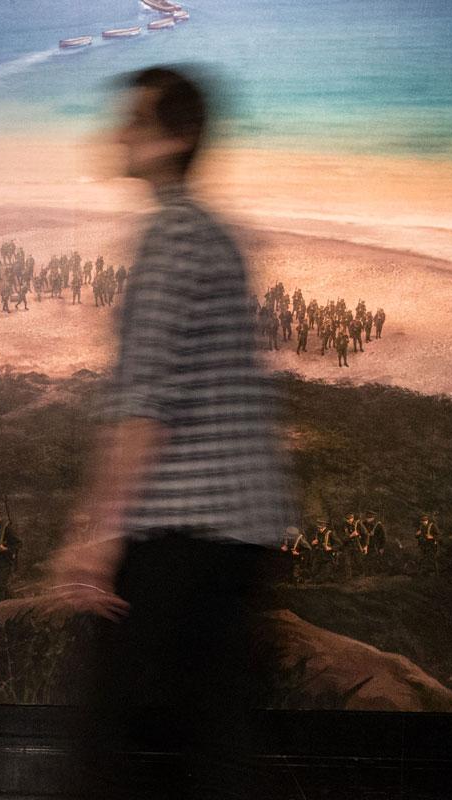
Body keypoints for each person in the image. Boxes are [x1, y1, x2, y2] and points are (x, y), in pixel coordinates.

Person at [51, 67, 291, 800]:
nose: (121, 133)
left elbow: (145, 408)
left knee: (103, 731)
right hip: (238, 524)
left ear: (175, 138)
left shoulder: (170, 240)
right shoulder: (214, 233)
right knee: (213, 730)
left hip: (185, 527)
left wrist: (98, 534)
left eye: (138, 121)